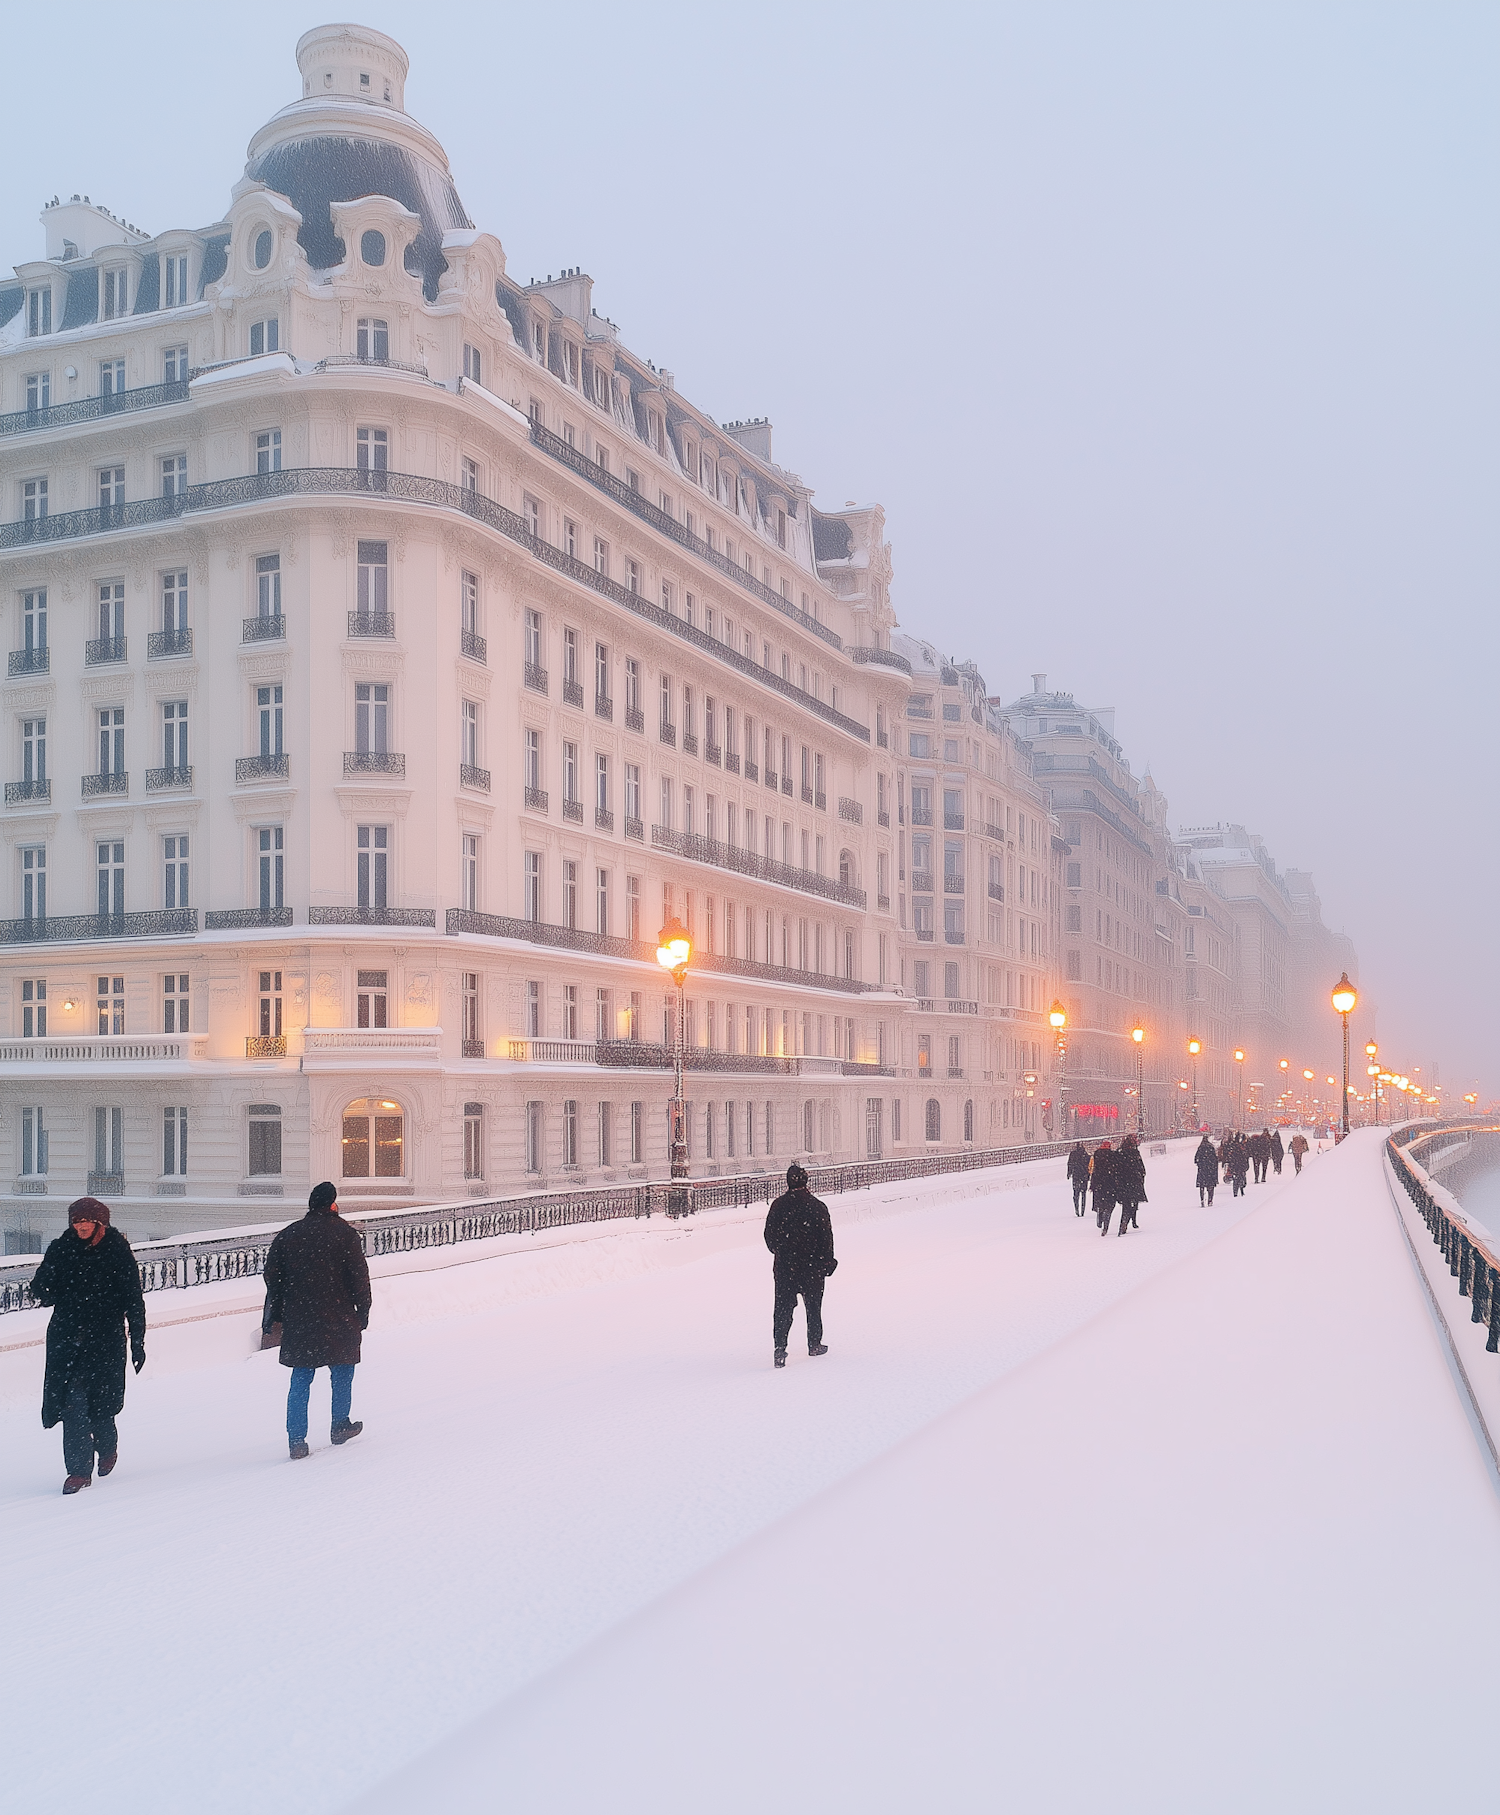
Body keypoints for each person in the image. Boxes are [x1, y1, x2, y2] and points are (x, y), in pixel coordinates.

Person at [31, 1197, 146, 1495]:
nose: (80, 1226)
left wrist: (138, 1342)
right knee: (72, 1404)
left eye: (86, 1221)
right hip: (67, 1339)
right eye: (76, 1221)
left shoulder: (117, 1250)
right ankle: (79, 1471)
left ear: (99, 1222)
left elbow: (134, 1298)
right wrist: (45, 1285)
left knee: (101, 1406)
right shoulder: (61, 1248)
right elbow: (41, 1286)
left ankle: (107, 1447)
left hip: (105, 1339)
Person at [262, 1181, 372, 1459]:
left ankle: (297, 1440)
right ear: (332, 1204)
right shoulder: (344, 1235)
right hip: (339, 1315)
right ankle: (339, 1425)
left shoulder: (289, 1236)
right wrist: (364, 1310)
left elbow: (271, 1277)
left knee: (301, 1376)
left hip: (301, 1319)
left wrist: (280, 1309)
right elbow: (359, 1277)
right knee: (343, 1369)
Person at [763, 1163, 837, 1368]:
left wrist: (782, 1251)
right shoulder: (817, 1207)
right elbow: (826, 1238)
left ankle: (779, 1349)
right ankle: (814, 1344)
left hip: (786, 1267)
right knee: (813, 1306)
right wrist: (827, 1261)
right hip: (812, 1267)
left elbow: (769, 1237)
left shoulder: (778, 1206)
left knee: (782, 1308)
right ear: (806, 1181)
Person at [1115, 1134, 1147, 1235]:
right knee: (1133, 1203)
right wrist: (1141, 1176)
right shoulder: (1134, 1153)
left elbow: (1116, 1168)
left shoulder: (1120, 1153)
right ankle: (1128, 1221)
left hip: (1123, 1182)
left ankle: (1124, 1223)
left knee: (1126, 1204)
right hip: (1134, 1181)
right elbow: (1141, 1167)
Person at [1091, 1140, 1118, 1236]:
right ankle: (1105, 1226)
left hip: (1098, 1182)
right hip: (1110, 1183)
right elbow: (1116, 1169)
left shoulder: (1097, 1154)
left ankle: (1100, 1215)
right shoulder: (1113, 1155)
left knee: (1101, 1202)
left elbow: (1094, 1168)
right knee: (1110, 1205)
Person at [1066, 1141, 1091, 1217]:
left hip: (1076, 1175)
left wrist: (1069, 1173)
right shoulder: (1086, 1155)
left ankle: (1076, 1208)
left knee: (1076, 1193)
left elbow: (1069, 1164)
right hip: (1084, 1176)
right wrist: (1089, 1175)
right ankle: (1082, 1210)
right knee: (1083, 1193)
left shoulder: (1073, 1154)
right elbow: (1089, 1166)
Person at [1194, 1133, 1219, 1207]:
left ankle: (1202, 1200)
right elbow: (1215, 1159)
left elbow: (1196, 1159)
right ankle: (1210, 1200)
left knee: (1202, 1186)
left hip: (1202, 1170)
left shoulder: (1200, 1148)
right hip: (1210, 1170)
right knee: (1210, 1186)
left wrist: (1200, 1164)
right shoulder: (1211, 1147)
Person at [1230, 1133, 1251, 1198]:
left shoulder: (1235, 1151)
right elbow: (1245, 1159)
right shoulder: (1242, 1152)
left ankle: (1236, 1192)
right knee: (1241, 1179)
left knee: (1236, 1180)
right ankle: (1240, 1191)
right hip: (1240, 1168)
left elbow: (1232, 1160)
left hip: (1237, 1168)